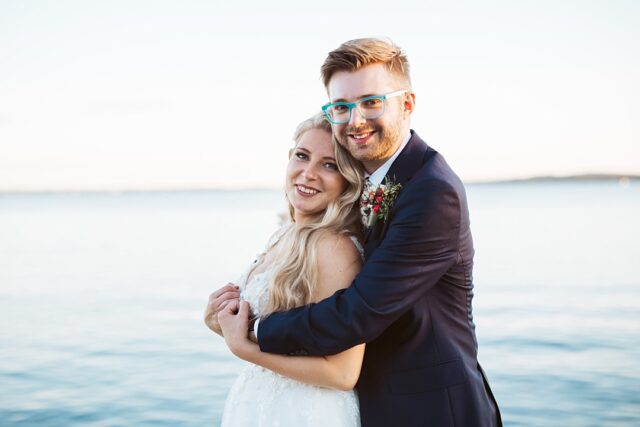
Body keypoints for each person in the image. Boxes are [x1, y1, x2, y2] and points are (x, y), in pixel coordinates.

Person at [231, 38, 502, 426]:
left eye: (372, 102)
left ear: (407, 104)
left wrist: (252, 329)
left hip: (433, 411)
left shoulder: (432, 191)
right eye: (341, 107)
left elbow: (357, 314)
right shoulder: (366, 180)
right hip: (376, 405)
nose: (355, 121)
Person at [204, 113, 366, 426]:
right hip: (259, 406)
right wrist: (219, 319)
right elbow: (269, 333)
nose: (308, 173)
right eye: (302, 157)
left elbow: (343, 373)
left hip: (307, 413)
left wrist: (245, 350)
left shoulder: (335, 248)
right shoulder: (284, 234)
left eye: (329, 165)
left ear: (348, 179)